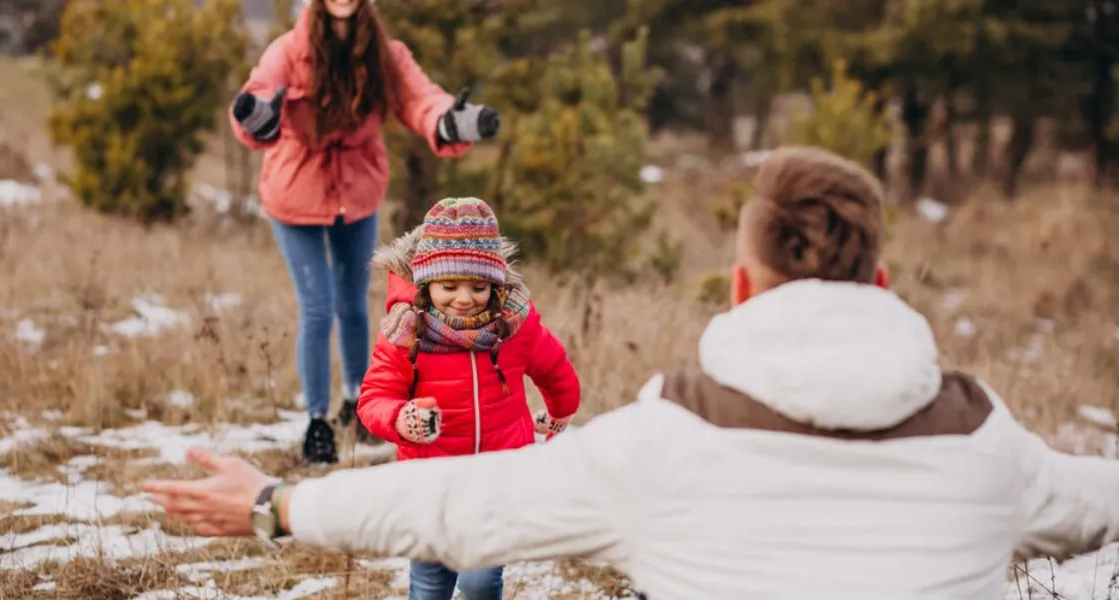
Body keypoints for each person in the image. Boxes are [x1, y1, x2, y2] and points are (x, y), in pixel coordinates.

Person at [143, 146, 1119, 599]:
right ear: (884, 280)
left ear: (738, 285)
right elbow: (1099, 499)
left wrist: (277, 507)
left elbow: (465, 507)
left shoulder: (666, 441)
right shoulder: (991, 444)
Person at [229, 0, 500, 465]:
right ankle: (317, 422)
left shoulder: (384, 53)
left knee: (354, 306)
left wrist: (450, 122)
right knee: (317, 309)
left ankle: (359, 404)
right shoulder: (289, 51)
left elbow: (420, 100)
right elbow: (260, 91)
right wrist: (255, 114)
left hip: (356, 195)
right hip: (296, 195)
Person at [353, 196, 580, 599]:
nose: (463, 298)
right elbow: (374, 396)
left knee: (479, 581)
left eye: (478, 286)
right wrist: (400, 418)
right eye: (449, 286)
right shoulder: (407, 334)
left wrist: (561, 412)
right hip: (429, 482)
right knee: (430, 583)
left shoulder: (514, 326)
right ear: (426, 284)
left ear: (496, 284)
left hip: (496, 479)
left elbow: (555, 368)